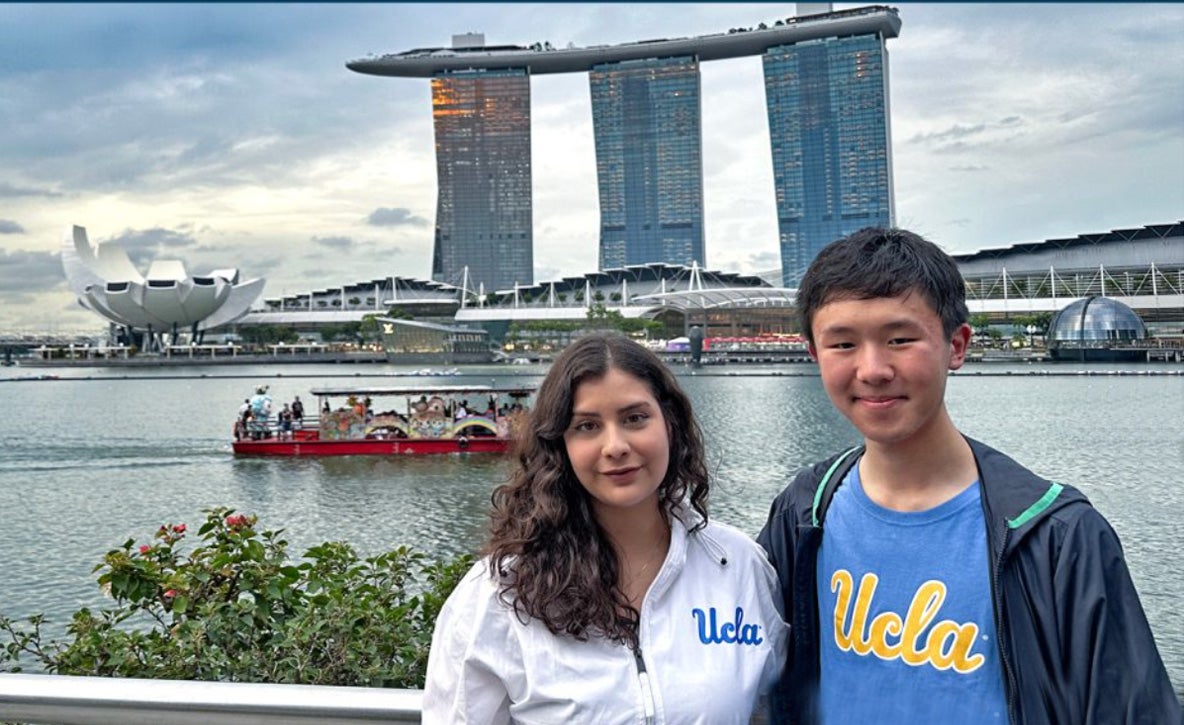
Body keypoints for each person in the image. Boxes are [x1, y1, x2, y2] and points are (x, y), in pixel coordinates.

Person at [756, 228, 1179, 724]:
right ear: (815, 354)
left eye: (900, 339)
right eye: (843, 343)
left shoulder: (1057, 536)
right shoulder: (805, 510)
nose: (872, 369)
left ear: (956, 346)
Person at [424, 332, 787, 723]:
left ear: (670, 424)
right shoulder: (499, 594)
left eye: (634, 418)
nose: (615, 446)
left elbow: (770, 709)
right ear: (559, 444)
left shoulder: (737, 565)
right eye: (587, 426)